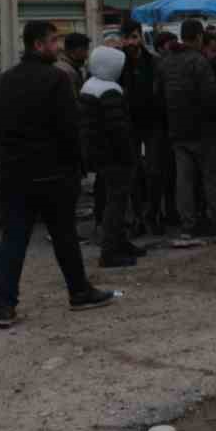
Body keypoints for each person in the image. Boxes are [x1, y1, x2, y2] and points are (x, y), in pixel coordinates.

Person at [0, 20, 117, 329]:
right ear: (38, 45)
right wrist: (78, 167)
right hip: (53, 175)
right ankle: (79, 292)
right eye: (53, 41)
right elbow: (70, 129)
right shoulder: (56, 80)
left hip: (14, 175)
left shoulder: (1, 82)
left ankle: (4, 306)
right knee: (64, 236)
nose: (58, 47)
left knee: (14, 239)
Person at [157, 19, 216, 245]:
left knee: (184, 181)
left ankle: (188, 227)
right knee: (210, 180)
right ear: (199, 37)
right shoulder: (199, 62)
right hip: (202, 131)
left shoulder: (165, 62)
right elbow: (212, 98)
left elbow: (159, 96)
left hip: (177, 131)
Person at [79, 45, 140, 269]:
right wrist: (130, 156)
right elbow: (119, 130)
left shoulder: (89, 86)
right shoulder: (110, 91)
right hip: (115, 156)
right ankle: (110, 252)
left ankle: (120, 243)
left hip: (100, 154)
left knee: (114, 201)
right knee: (117, 202)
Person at [118, 20, 164, 236]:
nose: (130, 42)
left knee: (154, 171)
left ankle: (152, 214)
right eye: (127, 38)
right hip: (129, 126)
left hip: (152, 124)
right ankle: (137, 218)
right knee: (133, 173)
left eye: (134, 37)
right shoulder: (118, 64)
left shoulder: (154, 63)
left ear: (140, 38)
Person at [150, 30, 182, 227]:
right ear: (162, 47)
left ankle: (169, 212)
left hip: (168, 127)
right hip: (160, 128)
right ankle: (159, 213)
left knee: (170, 174)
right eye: (172, 44)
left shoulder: (166, 64)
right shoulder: (159, 65)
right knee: (162, 174)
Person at [54, 32, 90, 97]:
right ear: (77, 51)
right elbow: (73, 101)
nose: (87, 55)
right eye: (85, 50)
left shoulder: (64, 65)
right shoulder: (68, 72)